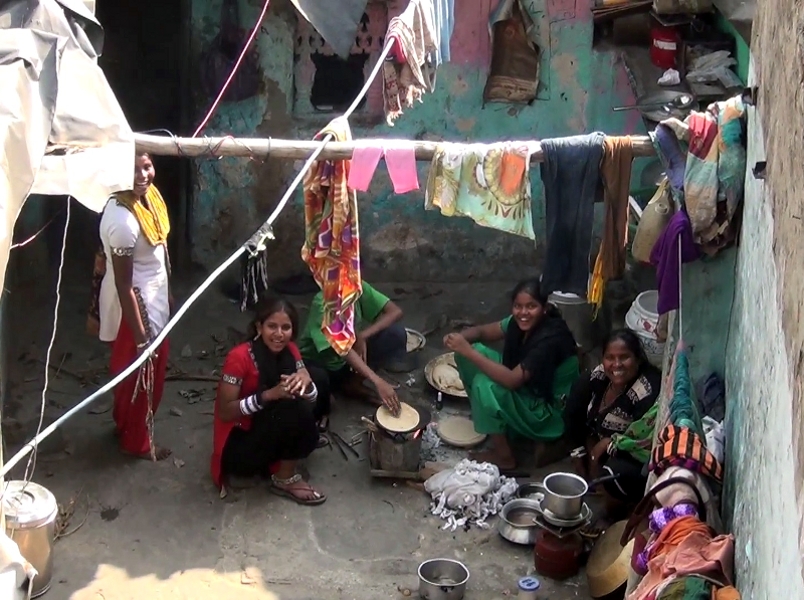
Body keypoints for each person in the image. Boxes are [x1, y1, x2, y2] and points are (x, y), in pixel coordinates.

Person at [443, 278, 580, 470]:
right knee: (472, 354)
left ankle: (504, 457)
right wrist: (458, 339)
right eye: (518, 306)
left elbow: (512, 380)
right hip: (529, 387)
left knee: (484, 383)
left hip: (548, 413)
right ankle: (493, 420)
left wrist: (467, 350)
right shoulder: (519, 322)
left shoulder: (550, 340)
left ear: (545, 308)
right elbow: (483, 332)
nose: (523, 313)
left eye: (531, 306)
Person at [212, 297, 328, 505]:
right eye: (272, 326)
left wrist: (306, 383)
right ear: (259, 327)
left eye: (286, 327)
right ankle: (284, 479)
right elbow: (225, 412)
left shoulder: (291, 350)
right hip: (239, 445)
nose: (279, 334)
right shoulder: (239, 358)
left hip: (266, 423)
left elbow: (311, 395)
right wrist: (267, 395)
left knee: (318, 378)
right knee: (295, 409)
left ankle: (290, 447)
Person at [98, 151, 173, 460]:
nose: (143, 175)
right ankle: (137, 442)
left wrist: (169, 293)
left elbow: (160, 250)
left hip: (155, 297)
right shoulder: (122, 220)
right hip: (137, 309)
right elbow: (123, 284)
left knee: (140, 375)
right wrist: (142, 338)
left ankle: (127, 427)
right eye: (133, 170)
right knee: (141, 375)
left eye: (146, 166)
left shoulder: (149, 199)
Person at [563, 329, 662, 533]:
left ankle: (616, 513)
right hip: (603, 446)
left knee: (612, 473)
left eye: (624, 357)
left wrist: (610, 442)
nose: (616, 365)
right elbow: (573, 415)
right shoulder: (598, 378)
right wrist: (581, 456)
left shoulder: (646, 389)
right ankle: (601, 484)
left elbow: (643, 441)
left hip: (638, 460)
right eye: (610, 358)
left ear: (637, 359)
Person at [297, 281, 404, 426]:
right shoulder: (323, 301)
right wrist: (377, 381)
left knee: (395, 334)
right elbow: (343, 349)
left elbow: (395, 311)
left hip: (347, 361)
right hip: (320, 364)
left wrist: (362, 336)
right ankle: (332, 391)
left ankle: (352, 384)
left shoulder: (358, 287)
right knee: (323, 399)